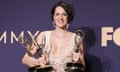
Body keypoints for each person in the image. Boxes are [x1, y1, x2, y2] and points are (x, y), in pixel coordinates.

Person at [22, 0, 85, 72]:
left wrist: (77, 62)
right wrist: (38, 62)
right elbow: (25, 59)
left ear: (69, 17)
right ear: (53, 17)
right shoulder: (44, 36)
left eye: (64, 14)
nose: (60, 18)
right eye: (57, 14)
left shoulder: (76, 39)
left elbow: (82, 67)